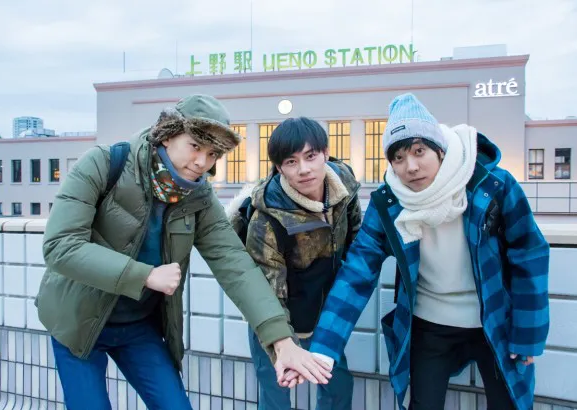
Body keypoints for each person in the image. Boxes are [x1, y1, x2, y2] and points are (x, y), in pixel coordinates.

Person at [36, 94, 331, 410]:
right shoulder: (104, 164)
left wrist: (281, 341)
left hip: (138, 325)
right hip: (78, 319)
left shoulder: (198, 196)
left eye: (213, 153)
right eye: (195, 146)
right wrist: (145, 275)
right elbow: (60, 246)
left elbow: (235, 264)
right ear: (168, 134)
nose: (202, 162)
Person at [287, 93, 549, 410]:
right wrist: (324, 347)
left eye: (419, 151)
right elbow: (358, 271)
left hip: (493, 320)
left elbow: (529, 254)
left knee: (508, 403)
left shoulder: (492, 184)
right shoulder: (389, 203)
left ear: (440, 149)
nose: (410, 167)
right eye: (398, 158)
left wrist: (528, 334)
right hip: (429, 325)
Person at [228, 117, 361, 410]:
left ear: (326, 153)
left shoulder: (345, 187)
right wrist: (282, 344)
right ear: (279, 167)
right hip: (274, 316)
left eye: (311, 156)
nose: (304, 169)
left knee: (338, 386)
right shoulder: (266, 219)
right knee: (276, 394)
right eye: (291, 161)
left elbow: (357, 245)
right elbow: (267, 293)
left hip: (324, 314)